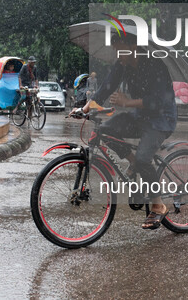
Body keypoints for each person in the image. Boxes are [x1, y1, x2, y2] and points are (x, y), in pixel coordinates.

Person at [71, 36, 177, 230]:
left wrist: (127, 102)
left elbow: (159, 101)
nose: (118, 55)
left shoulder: (155, 65)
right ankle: (133, 162)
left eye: (121, 50)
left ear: (133, 46)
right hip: (140, 116)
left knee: (145, 159)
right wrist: (83, 109)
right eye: (116, 51)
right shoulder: (123, 64)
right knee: (105, 130)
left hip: (162, 119)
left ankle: (158, 204)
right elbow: (105, 89)